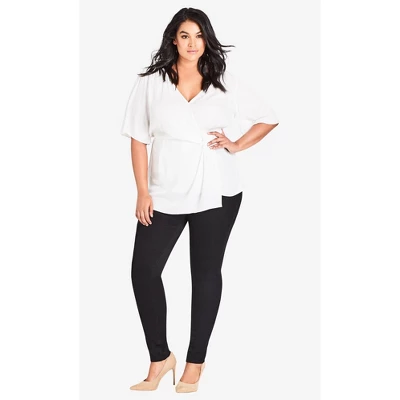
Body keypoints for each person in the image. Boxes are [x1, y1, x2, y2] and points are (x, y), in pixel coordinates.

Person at [120, 7, 279, 393]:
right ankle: (160, 357)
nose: (192, 43)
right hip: (165, 190)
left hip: (218, 189)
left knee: (205, 273)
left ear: (206, 39)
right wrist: (142, 191)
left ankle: (195, 362)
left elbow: (268, 117)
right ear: (173, 39)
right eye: (184, 35)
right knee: (144, 271)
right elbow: (139, 139)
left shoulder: (223, 80)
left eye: (199, 36)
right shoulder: (151, 83)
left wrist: (236, 145)